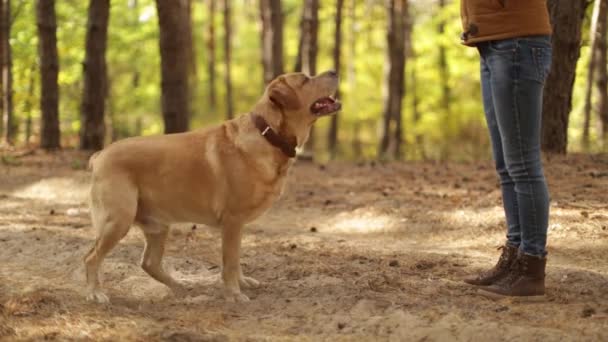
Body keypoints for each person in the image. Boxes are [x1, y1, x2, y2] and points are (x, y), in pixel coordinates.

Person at [460, 0, 552, 298]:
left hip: (517, 43)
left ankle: (531, 267)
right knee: (507, 165)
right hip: (493, 42)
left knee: (523, 165)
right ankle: (514, 256)